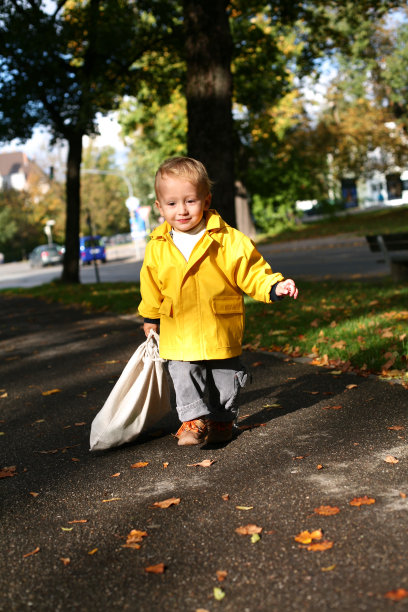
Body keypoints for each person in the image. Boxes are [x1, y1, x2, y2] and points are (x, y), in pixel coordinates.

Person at [138, 157, 298, 446]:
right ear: (159, 207)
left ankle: (223, 422)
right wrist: (151, 317)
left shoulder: (229, 240)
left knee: (226, 378)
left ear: (206, 200)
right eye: (172, 204)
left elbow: (252, 271)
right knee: (182, 371)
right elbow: (150, 286)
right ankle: (192, 420)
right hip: (178, 327)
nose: (182, 210)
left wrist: (274, 286)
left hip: (219, 324)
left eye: (190, 201)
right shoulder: (157, 247)